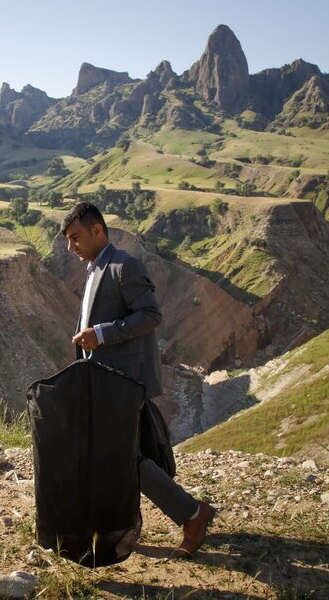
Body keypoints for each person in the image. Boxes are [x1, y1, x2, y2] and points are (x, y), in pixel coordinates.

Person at [60, 201, 216, 557]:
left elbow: (150, 315)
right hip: (104, 380)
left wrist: (100, 334)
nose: (71, 248)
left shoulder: (124, 266)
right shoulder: (96, 268)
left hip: (124, 381)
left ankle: (192, 513)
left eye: (75, 238)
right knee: (122, 455)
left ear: (98, 230)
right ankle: (125, 525)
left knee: (123, 457)